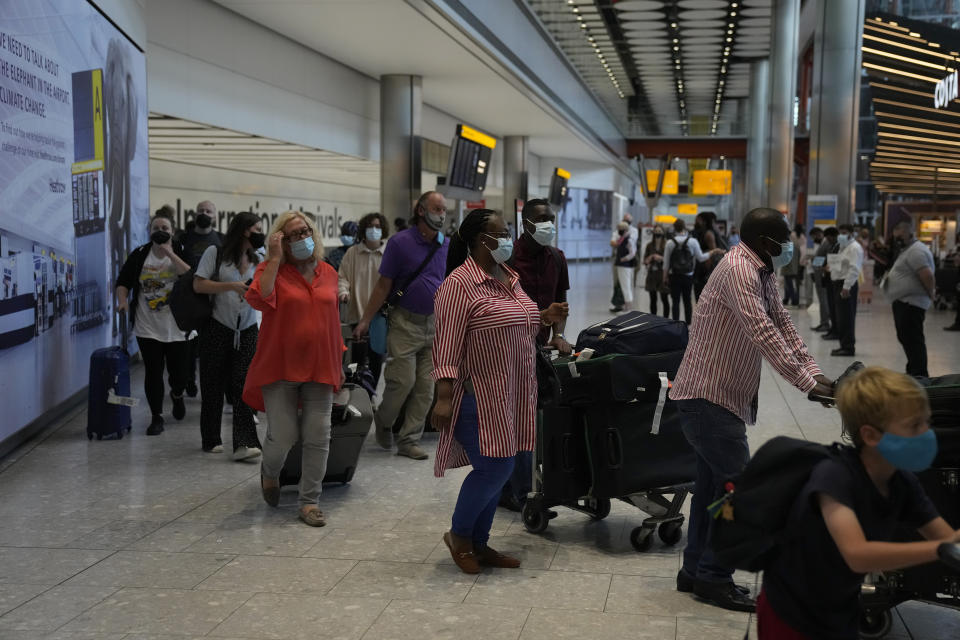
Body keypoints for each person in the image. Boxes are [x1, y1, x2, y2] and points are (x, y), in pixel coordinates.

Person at [670, 207, 834, 613]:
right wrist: (806, 385)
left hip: (717, 398)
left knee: (712, 491)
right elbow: (761, 330)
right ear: (766, 242)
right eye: (786, 238)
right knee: (740, 493)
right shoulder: (739, 270)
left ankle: (695, 570)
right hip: (709, 400)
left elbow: (782, 323)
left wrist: (816, 374)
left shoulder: (760, 269)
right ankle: (714, 576)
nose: (791, 245)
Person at [758, 367, 958, 640]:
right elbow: (857, 554)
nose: (927, 433)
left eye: (927, 422)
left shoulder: (902, 482)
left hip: (839, 606)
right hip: (792, 610)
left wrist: (949, 545)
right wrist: (938, 549)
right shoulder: (835, 476)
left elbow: (949, 540)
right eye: (915, 426)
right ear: (871, 436)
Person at [430, 209, 568, 574]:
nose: (508, 238)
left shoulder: (509, 277)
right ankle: (459, 536)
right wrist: (444, 398)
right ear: (480, 240)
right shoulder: (458, 286)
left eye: (508, 231)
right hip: (477, 396)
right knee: (496, 467)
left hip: (513, 393)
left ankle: (479, 543)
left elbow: (510, 319)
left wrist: (542, 316)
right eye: (501, 233)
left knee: (502, 467)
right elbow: (446, 345)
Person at [243, 211, 344, 527]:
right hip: (280, 366)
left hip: (321, 366)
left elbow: (332, 323)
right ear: (280, 241)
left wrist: (338, 360)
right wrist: (273, 260)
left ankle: (309, 501)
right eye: (292, 236)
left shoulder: (328, 272)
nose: (301, 239)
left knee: (319, 435)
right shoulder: (270, 269)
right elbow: (259, 297)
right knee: (284, 435)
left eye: (304, 232)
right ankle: (270, 471)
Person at [354, 191, 450, 460]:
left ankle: (409, 439)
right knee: (402, 382)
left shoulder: (445, 244)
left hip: (433, 324)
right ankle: (384, 421)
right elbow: (383, 284)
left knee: (425, 388)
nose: (441, 214)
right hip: (404, 322)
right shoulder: (399, 243)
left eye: (444, 210)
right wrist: (365, 319)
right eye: (437, 209)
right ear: (421, 210)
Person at [500, 198, 572, 511]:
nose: (549, 225)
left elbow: (561, 303)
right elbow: (498, 307)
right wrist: (542, 316)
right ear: (526, 222)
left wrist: (559, 335)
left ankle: (518, 489)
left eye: (551, 218)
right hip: (507, 348)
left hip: (539, 350)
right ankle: (515, 491)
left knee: (532, 420)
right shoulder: (507, 258)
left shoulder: (557, 258)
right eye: (542, 219)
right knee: (513, 422)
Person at [193, 212, 264, 459]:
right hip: (216, 325)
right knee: (213, 383)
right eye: (257, 228)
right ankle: (211, 437)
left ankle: (244, 442)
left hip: (247, 327)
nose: (260, 233)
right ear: (245, 230)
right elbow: (198, 284)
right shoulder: (216, 253)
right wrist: (231, 286)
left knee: (244, 384)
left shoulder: (260, 257)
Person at [115, 210, 193, 436]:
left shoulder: (180, 251)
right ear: (150, 232)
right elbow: (123, 282)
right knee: (153, 372)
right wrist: (122, 301)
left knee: (180, 375)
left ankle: (177, 395)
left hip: (178, 326)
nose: (160, 232)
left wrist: (170, 254)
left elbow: (190, 276)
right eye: (156, 229)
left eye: (165, 229)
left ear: (173, 232)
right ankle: (156, 416)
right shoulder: (139, 254)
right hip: (147, 325)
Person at [177, 200, 224, 399]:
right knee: (187, 344)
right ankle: (189, 379)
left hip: (214, 298)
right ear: (194, 214)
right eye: (200, 211)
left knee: (209, 342)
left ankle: (214, 384)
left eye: (208, 211)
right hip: (188, 297)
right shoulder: (184, 238)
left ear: (215, 216)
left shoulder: (222, 239)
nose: (204, 214)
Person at [338, 212, 389, 387]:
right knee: (355, 359)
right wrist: (343, 291)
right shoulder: (353, 253)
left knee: (376, 359)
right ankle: (356, 389)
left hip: (380, 316)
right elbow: (342, 277)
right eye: (370, 227)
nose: (374, 230)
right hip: (357, 314)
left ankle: (371, 392)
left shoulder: (389, 253)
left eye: (377, 226)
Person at [885, 221, 936, 377]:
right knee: (906, 337)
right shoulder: (908, 249)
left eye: (900, 236)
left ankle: (919, 374)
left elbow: (927, 275)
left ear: (909, 233)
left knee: (913, 339)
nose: (897, 239)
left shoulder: (916, 251)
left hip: (912, 303)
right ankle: (914, 370)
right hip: (904, 302)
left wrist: (931, 294)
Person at [663, 219, 724, 324]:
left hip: (674, 275)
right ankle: (688, 325)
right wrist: (713, 251)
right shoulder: (692, 241)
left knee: (675, 302)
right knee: (687, 301)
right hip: (688, 275)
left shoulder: (669, 243)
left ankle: (675, 326)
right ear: (684, 227)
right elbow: (701, 258)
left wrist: (664, 277)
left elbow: (666, 263)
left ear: (674, 228)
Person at [830, 226, 866, 357]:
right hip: (839, 282)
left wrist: (846, 287)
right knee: (841, 317)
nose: (841, 235)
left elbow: (854, 269)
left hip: (846, 284)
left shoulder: (854, 248)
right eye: (840, 232)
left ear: (851, 234)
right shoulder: (842, 246)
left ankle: (848, 347)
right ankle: (843, 345)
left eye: (844, 233)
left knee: (846, 317)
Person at [691, 212, 727, 300]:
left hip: (705, 271)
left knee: (702, 298)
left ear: (704, 221)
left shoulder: (708, 234)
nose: (696, 222)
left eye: (698, 220)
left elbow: (713, 252)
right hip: (703, 269)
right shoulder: (704, 233)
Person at [609, 213, 637, 312]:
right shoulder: (622, 238)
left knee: (626, 285)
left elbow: (632, 252)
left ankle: (628, 306)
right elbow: (613, 242)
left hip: (625, 265)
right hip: (620, 264)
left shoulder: (629, 237)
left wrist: (623, 259)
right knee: (620, 284)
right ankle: (620, 304)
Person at [643, 224, 670, 317]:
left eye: (660, 231)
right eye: (656, 231)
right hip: (652, 275)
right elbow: (645, 261)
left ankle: (665, 320)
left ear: (663, 233)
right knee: (653, 299)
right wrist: (650, 258)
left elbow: (670, 260)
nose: (658, 233)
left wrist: (661, 258)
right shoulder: (649, 245)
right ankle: (653, 319)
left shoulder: (667, 245)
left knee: (664, 299)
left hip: (663, 275)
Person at [818, 227, 840, 335]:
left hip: (832, 278)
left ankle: (833, 328)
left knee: (832, 305)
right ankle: (831, 328)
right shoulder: (831, 245)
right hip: (826, 277)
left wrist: (821, 266)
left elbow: (834, 262)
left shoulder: (836, 245)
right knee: (830, 304)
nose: (827, 239)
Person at [782, 224, 807, 308]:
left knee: (788, 283)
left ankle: (793, 299)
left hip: (790, 262)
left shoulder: (791, 237)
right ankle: (790, 298)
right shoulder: (802, 236)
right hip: (798, 261)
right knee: (795, 283)